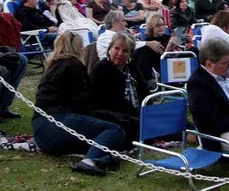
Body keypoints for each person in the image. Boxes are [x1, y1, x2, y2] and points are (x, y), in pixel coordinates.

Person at [32, 32, 125, 176]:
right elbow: (81, 101)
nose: (83, 49)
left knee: (95, 134)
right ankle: (91, 160)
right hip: (57, 121)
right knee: (114, 130)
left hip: (40, 130)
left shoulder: (53, 65)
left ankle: (104, 158)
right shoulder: (73, 64)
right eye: (81, 46)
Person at [90, 32, 149, 147]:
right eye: (116, 48)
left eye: (125, 51)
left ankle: (189, 133)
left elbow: (143, 89)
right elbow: (111, 103)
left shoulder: (131, 65)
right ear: (109, 49)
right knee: (147, 125)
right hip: (116, 115)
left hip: (139, 110)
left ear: (130, 54)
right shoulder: (101, 69)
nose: (120, 54)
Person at [96, 11, 163, 60]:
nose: (126, 24)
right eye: (123, 21)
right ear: (114, 23)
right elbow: (125, 46)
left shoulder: (122, 35)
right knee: (144, 49)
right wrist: (147, 43)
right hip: (110, 68)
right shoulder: (104, 38)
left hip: (123, 64)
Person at [134, 14, 176, 87]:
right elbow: (163, 56)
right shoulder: (149, 42)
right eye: (157, 25)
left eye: (162, 25)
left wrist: (187, 40)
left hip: (175, 62)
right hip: (163, 67)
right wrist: (170, 46)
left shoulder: (169, 37)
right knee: (143, 50)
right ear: (152, 27)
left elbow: (181, 48)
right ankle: (148, 80)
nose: (161, 27)